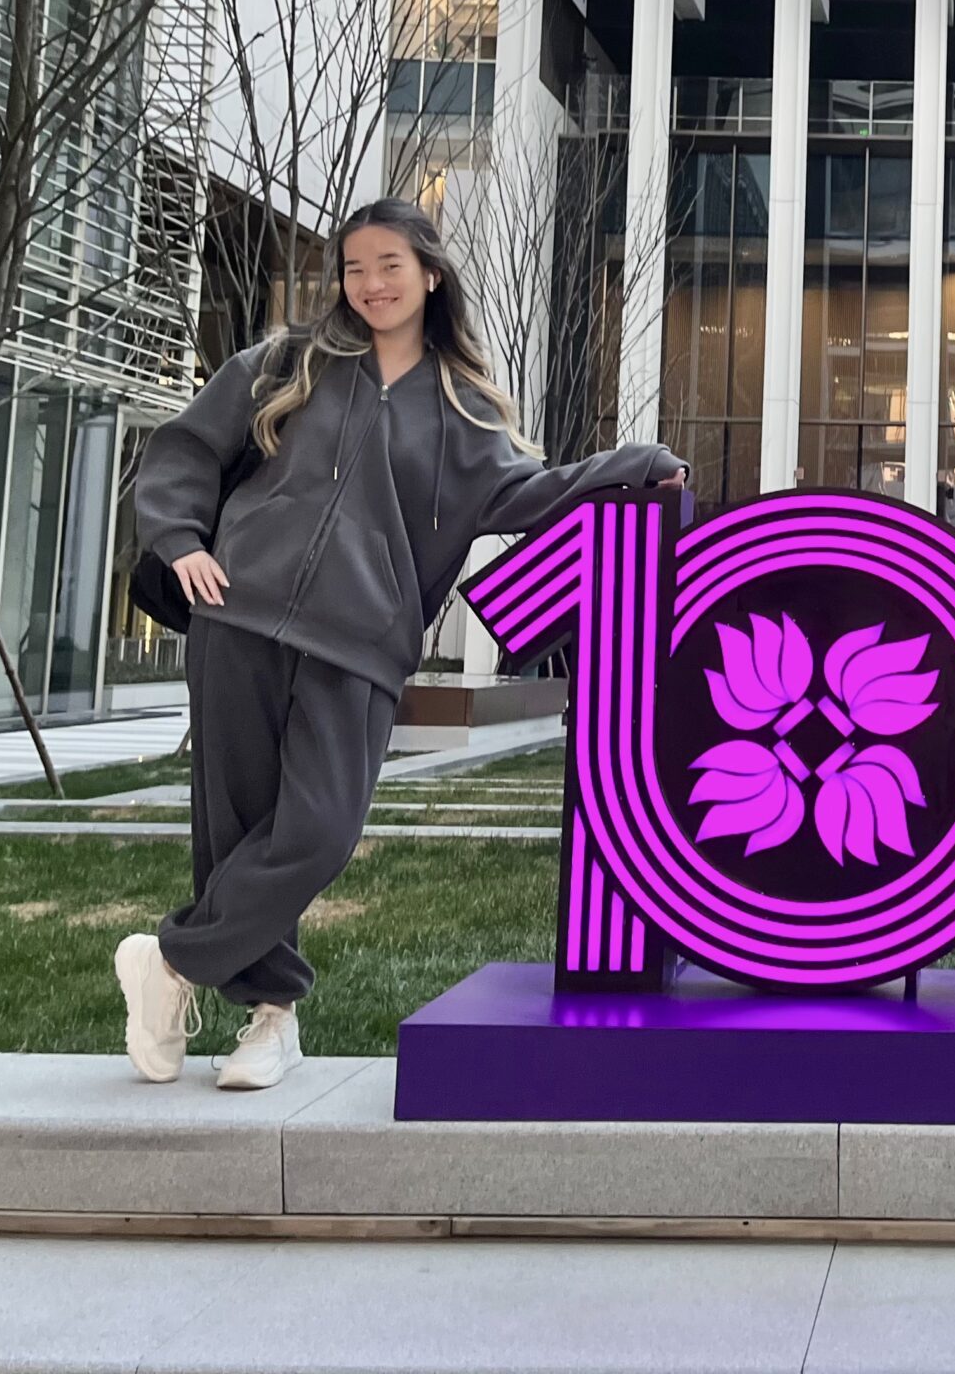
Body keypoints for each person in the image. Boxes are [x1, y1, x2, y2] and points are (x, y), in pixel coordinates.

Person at [121, 199, 685, 1089]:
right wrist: (181, 540)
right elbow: (187, 447)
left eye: (389, 265)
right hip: (238, 616)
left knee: (318, 831)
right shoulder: (283, 364)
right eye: (354, 268)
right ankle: (271, 1021)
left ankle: (171, 963)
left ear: (428, 275)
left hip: (359, 642)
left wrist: (635, 462)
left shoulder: (461, 406)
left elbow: (530, 494)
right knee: (235, 832)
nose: (371, 284)